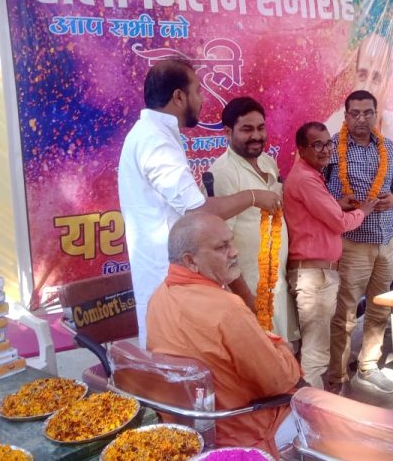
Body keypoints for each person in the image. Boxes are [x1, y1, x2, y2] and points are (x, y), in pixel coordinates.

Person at [118, 59, 281, 347]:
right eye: (197, 91)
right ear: (179, 97)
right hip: (169, 283)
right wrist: (254, 196)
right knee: (180, 365)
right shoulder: (155, 142)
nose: (202, 99)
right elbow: (198, 212)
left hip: (179, 282)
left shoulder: (155, 135)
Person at [146, 212, 301, 456]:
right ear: (191, 261)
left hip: (187, 428)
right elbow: (279, 381)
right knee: (323, 415)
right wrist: (283, 348)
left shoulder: (158, 297)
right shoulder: (227, 309)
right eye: (222, 247)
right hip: (244, 428)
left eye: (231, 242)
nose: (234, 251)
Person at [326, 90, 393, 395]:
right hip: (351, 243)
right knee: (345, 314)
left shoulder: (387, 147)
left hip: (385, 242)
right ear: (346, 116)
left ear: (376, 115)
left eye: (367, 112)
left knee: (379, 309)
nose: (361, 118)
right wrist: (338, 202)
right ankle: (337, 376)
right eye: (355, 113)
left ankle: (368, 366)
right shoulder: (332, 148)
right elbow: (316, 190)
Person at [283, 122, 377, 389]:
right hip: (315, 276)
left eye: (328, 143)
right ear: (301, 149)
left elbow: (316, 217)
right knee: (316, 354)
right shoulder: (305, 179)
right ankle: (311, 409)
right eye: (317, 144)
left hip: (317, 273)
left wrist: (337, 205)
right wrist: (363, 211)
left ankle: (310, 405)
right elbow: (339, 223)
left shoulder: (311, 176)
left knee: (315, 350)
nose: (325, 150)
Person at [207, 97, 299, 343]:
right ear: (228, 132)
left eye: (260, 128)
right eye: (247, 129)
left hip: (277, 282)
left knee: (284, 353)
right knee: (262, 356)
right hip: (249, 288)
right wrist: (248, 301)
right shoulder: (223, 173)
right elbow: (221, 248)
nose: (256, 136)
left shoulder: (268, 162)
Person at [325, 33, 393, 159]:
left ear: (387, 84)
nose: (367, 88)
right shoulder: (331, 128)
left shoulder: (392, 125)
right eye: (362, 75)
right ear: (354, 78)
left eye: (376, 78)